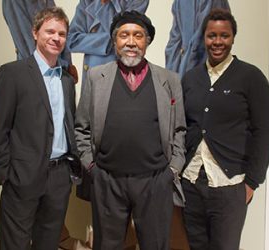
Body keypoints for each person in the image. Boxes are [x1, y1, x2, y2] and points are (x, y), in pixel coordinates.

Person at [75, 10, 186, 250]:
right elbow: (81, 128)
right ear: (115, 41)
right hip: (107, 180)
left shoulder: (170, 80)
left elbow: (179, 130)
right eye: (124, 35)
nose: (131, 42)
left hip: (155, 181)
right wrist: (92, 168)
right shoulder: (96, 77)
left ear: (147, 41)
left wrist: (173, 170)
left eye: (138, 35)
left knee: (155, 245)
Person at [181, 9, 269, 250]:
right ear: (204, 38)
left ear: (233, 37)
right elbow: (183, 126)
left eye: (224, 35)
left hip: (230, 185)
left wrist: (252, 182)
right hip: (191, 183)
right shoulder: (190, 78)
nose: (217, 42)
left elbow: (264, 133)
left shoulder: (251, 77)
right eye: (212, 35)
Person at [0, 7, 80, 250]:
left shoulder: (67, 80)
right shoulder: (12, 73)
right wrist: (4, 174)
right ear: (35, 33)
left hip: (59, 178)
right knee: (15, 245)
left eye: (61, 33)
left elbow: (68, 126)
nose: (56, 38)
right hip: (21, 177)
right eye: (50, 31)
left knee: (48, 244)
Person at [67, 0, 149, 88]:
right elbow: (72, 40)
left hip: (122, 73)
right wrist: (109, 40)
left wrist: (106, 4)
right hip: (93, 76)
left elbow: (124, 35)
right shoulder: (88, 2)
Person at [165, 0, 230, 78]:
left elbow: (200, 41)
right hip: (190, 69)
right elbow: (174, 42)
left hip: (207, 67)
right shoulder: (179, 2)